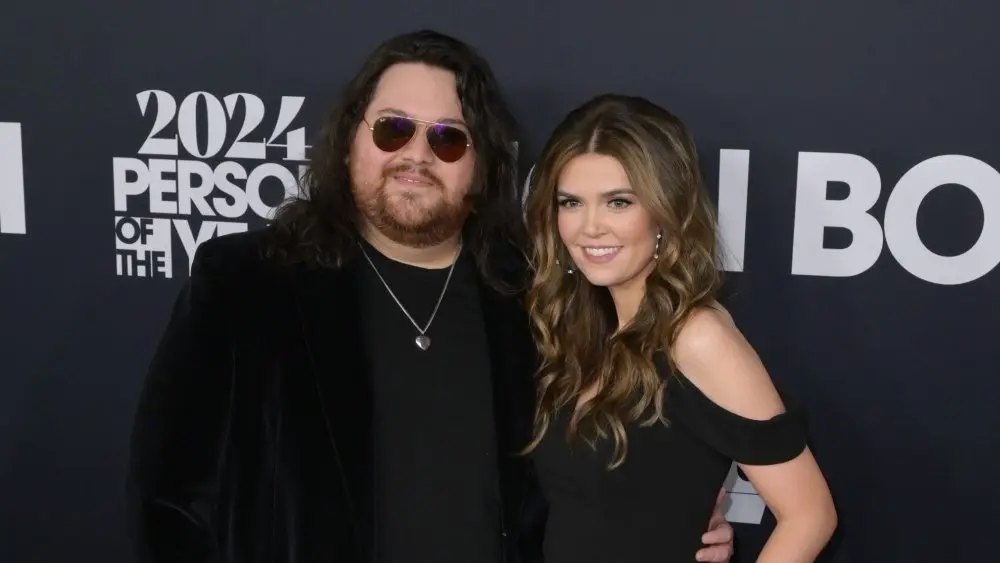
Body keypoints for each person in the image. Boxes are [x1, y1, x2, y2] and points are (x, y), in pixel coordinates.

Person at [125, 30, 735, 563]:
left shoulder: (537, 294)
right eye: (392, 129)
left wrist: (678, 522)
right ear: (349, 142)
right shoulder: (246, 283)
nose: (415, 155)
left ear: (482, 165)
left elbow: (595, 471)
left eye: (448, 139)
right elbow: (169, 501)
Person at [520, 93, 838, 562]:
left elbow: (810, 515)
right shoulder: (581, 329)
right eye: (571, 202)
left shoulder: (697, 336)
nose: (590, 227)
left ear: (666, 211)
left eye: (619, 202)